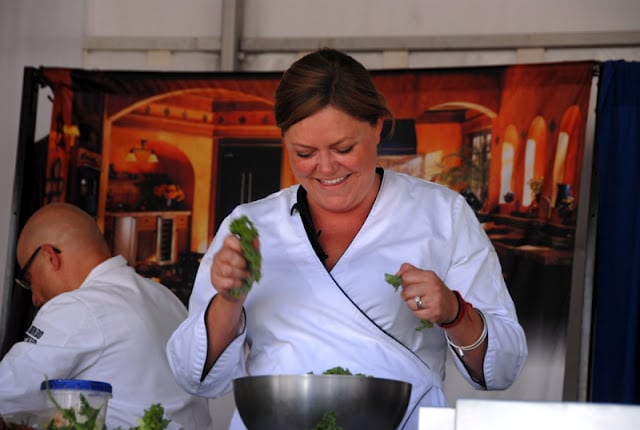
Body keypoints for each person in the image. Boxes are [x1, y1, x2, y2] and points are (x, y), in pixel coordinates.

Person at [167, 48, 527, 429]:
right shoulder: (251, 225)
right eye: (304, 153)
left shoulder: (441, 214)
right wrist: (229, 300)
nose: (325, 168)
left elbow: (502, 368)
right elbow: (194, 377)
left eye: (343, 149)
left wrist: (455, 312)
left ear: (378, 128)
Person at [0, 203, 212, 430]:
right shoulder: (164, 296)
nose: (34, 297)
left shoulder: (77, 305)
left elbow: (7, 393)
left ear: (50, 257)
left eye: (30, 279)